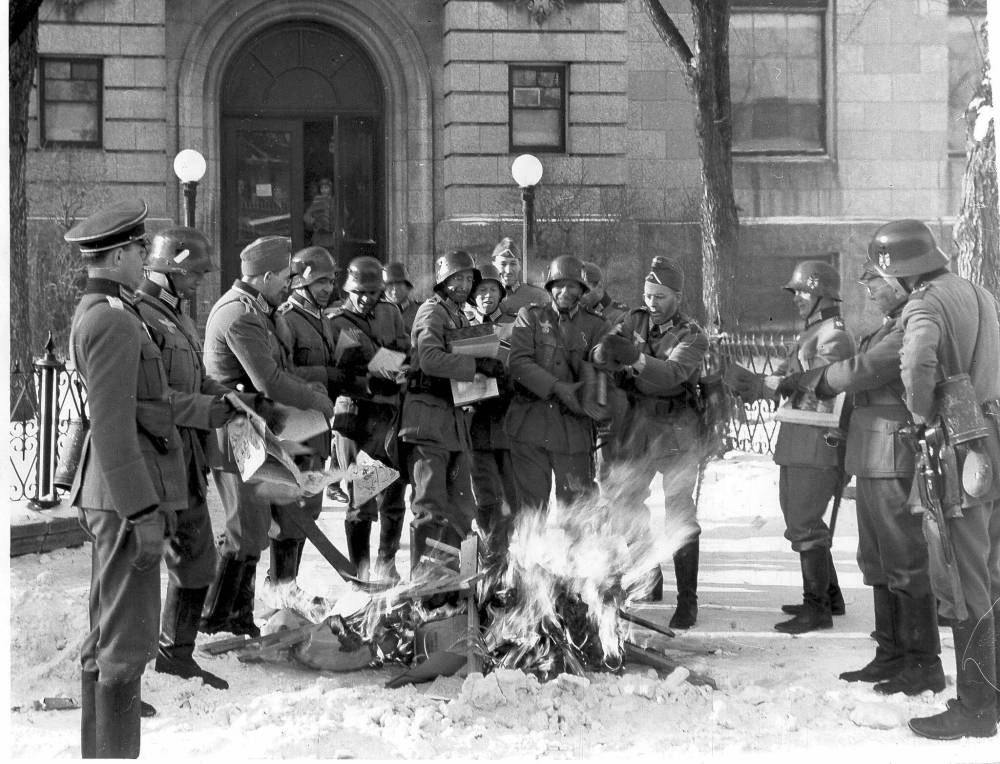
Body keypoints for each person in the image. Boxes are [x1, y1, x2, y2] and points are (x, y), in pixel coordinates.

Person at [864, 220, 999, 740]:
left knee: (965, 579)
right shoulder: (976, 291)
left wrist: (920, 415)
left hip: (957, 446)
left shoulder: (924, 303)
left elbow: (917, 362)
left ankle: (975, 708)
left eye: (880, 274)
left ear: (898, 273)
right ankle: (995, 697)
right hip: (992, 440)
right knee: (992, 571)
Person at [781, 262, 941, 694]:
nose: (867, 289)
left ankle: (923, 663)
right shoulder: (891, 323)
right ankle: (890, 654)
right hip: (870, 455)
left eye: (874, 281)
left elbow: (863, 370)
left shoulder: (909, 324)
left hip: (892, 455)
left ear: (896, 281)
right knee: (876, 561)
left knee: (904, 561)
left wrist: (813, 379)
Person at [64, 200, 187, 757]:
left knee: (109, 635)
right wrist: (142, 512)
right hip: (124, 500)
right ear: (116, 255)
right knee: (125, 641)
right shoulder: (113, 319)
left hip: (116, 494)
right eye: (139, 248)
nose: (145, 256)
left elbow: (143, 408)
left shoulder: (116, 311)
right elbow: (112, 428)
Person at [201, 235, 336, 638]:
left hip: (254, 429)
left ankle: (238, 617)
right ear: (262, 276)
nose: (286, 284)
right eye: (281, 276)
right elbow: (269, 380)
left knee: (254, 527)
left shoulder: (258, 311)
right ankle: (214, 619)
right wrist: (318, 402)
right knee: (245, 528)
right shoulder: (239, 314)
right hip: (237, 429)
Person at [135, 227, 238, 692]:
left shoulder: (178, 319)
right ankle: (140, 661)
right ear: (168, 270)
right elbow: (150, 397)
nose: (198, 282)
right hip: (156, 457)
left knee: (198, 555)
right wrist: (205, 408)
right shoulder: (142, 318)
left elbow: (195, 380)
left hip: (188, 456)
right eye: (192, 273)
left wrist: (229, 397)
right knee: (149, 562)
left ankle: (177, 655)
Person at [593, 256, 708, 628]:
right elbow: (610, 351)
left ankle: (687, 601)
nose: (653, 303)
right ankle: (650, 575)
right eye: (648, 295)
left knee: (679, 511)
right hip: (638, 422)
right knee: (625, 501)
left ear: (677, 295)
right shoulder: (635, 319)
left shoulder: (692, 333)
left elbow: (674, 374)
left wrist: (635, 359)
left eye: (660, 296)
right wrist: (605, 353)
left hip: (676, 427)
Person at [769, 261, 855, 634]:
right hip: (799, 442)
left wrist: (779, 384)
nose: (797, 299)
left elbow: (825, 387)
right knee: (798, 517)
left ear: (822, 293)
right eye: (796, 292)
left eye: (803, 291)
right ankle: (830, 595)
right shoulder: (815, 331)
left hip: (817, 444)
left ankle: (816, 607)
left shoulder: (833, 335)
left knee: (805, 523)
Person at [400, 250, 498, 564]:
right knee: (430, 506)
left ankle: (454, 581)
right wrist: (474, 365)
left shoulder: (457, 314)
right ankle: (427, 588)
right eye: (458, 278)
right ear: (444, 280)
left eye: (469, 278)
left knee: (460, 507)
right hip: (427, 421)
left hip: (453, 423)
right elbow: (429, 359)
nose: (465, 284)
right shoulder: (433, 311)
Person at [270, 246, 352, 592]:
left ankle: (289, 584)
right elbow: (281, 372)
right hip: (294, 427)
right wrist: (328, 373)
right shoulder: (286, 318)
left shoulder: (322, 319)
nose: (326, 288)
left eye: (330, 281)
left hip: (317, 427)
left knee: (310, 510)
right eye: (319, 281)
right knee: (293, 513)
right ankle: (281, 586)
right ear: (300, 283)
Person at [506, 254, 610, 518]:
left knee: (576, 509)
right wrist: (556, 386)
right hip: (530, 424)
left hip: (573, 429)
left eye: (572, 286)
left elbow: (603, 372)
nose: (565, 291)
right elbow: (518, 362)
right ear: (549, 287)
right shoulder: (529, 316)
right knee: (531, 510)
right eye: (559, 285)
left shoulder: (596, 325)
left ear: (582, 290)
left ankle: (575, 560)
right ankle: (530, 560)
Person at [327, 256, 411, 579]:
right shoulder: (335, 320)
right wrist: (366, 375)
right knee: (361, 498)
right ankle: (360, 575)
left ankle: (386, 565)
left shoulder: (390, 312)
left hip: (388, 414)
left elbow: (406, 347)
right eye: (359, 292)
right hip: (355, 416)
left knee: (393, 494)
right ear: (349, 289)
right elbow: (334, 372)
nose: (366, 298)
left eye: (373, 292)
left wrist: (400, 364)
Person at [466, 263, 519, 555]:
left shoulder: (515, 324)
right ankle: (487, 561)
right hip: (473, 423)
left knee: (512, 497)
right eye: (481, 290)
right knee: (484, 497)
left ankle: (504, 557)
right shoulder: (460, 324)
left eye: (492, 290)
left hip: (506, 421)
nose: (487, 296)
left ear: (502, 292)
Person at [492, 237, 548, 320]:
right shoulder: (483, 296)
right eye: (503, 264)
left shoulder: (538, 296)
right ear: (494, 265)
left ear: (519, 266)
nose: (508, 270)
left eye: (513, 264)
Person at [581, 261, 629, 328]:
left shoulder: (621, 315)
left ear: (599, 286)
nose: (578, 296)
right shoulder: (575, 315)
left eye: (584, 290)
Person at [382, 261, 420, 334]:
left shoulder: (421, 312)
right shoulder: (374, 312)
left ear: (407, 287)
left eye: (399, 284)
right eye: (390, 284)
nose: (395, 289)